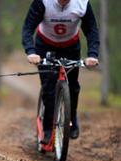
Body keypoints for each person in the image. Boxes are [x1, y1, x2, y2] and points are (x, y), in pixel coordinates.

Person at [22, 0, 100, 144]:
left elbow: (91, 30)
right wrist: (31, 51)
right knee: (49, 87)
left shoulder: (82, 4)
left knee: (73, 87)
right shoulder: (43, 2)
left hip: (70, 47)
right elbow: (28, 27)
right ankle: (47, 129)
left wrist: (93, 54)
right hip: (45, 46)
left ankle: (72, 119)